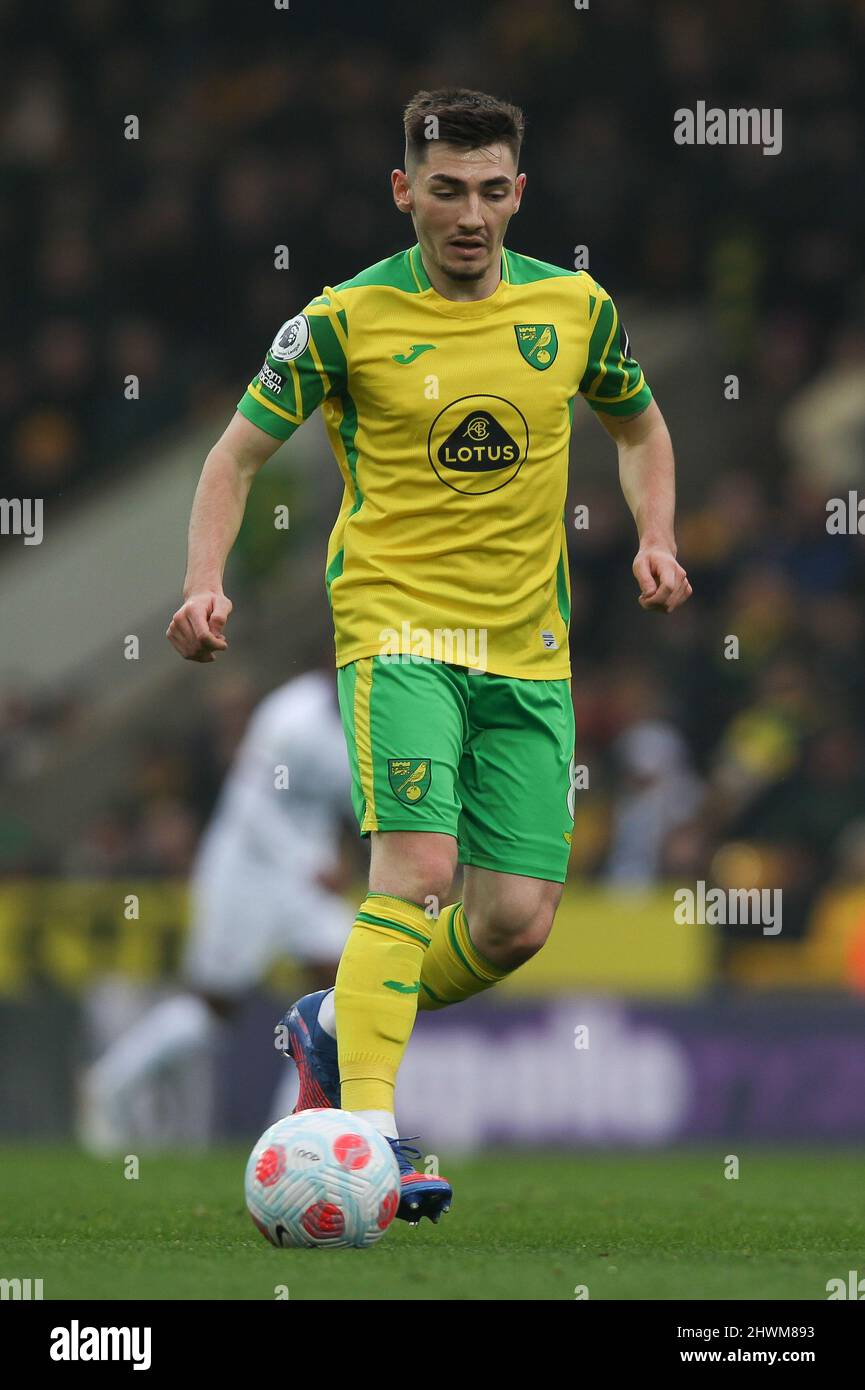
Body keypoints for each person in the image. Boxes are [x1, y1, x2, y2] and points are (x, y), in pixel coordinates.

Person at [166, 88, 692, 1224]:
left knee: (514, 920)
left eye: (491, 190)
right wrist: (205, 583)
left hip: (530, 654)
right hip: (399, 634)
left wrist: (655, 535)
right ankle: (373, 1134)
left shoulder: (575, 306)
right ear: (403, 190)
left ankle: (328, 1018)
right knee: (415, 876)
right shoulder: (344, 321)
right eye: (444, 190)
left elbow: (639, 426)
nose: (470, 215)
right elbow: (232, 457)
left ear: (519, 191)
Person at [79, 659, 355, 1152]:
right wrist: (311, 862)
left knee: (342, 988)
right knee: (215, 1009)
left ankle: (294, 1129)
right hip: (243, 870)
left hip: (303, 882)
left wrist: (342, 859)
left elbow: (347, 809)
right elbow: (253, 806)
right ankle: (110, 1085)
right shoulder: (290, 716)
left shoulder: (373, 721)